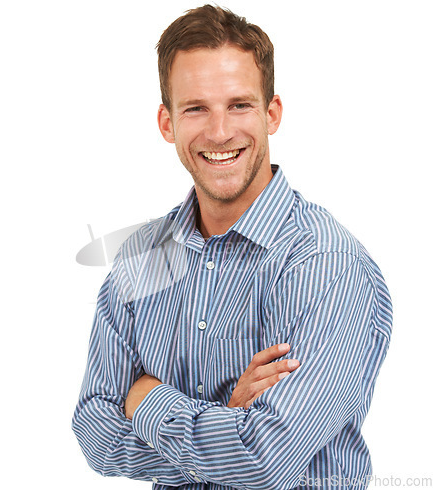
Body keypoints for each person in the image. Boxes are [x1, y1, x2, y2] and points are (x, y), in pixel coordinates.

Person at [72, 5, 392, 489]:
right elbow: (95, 435)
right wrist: (227, 418)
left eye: (239, 105)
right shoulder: (141, 258)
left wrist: (147, 399)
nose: (219, 132)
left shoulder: (325, 265)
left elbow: (265, 458)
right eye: (196, 108)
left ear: (272, 113)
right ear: (167, 122)